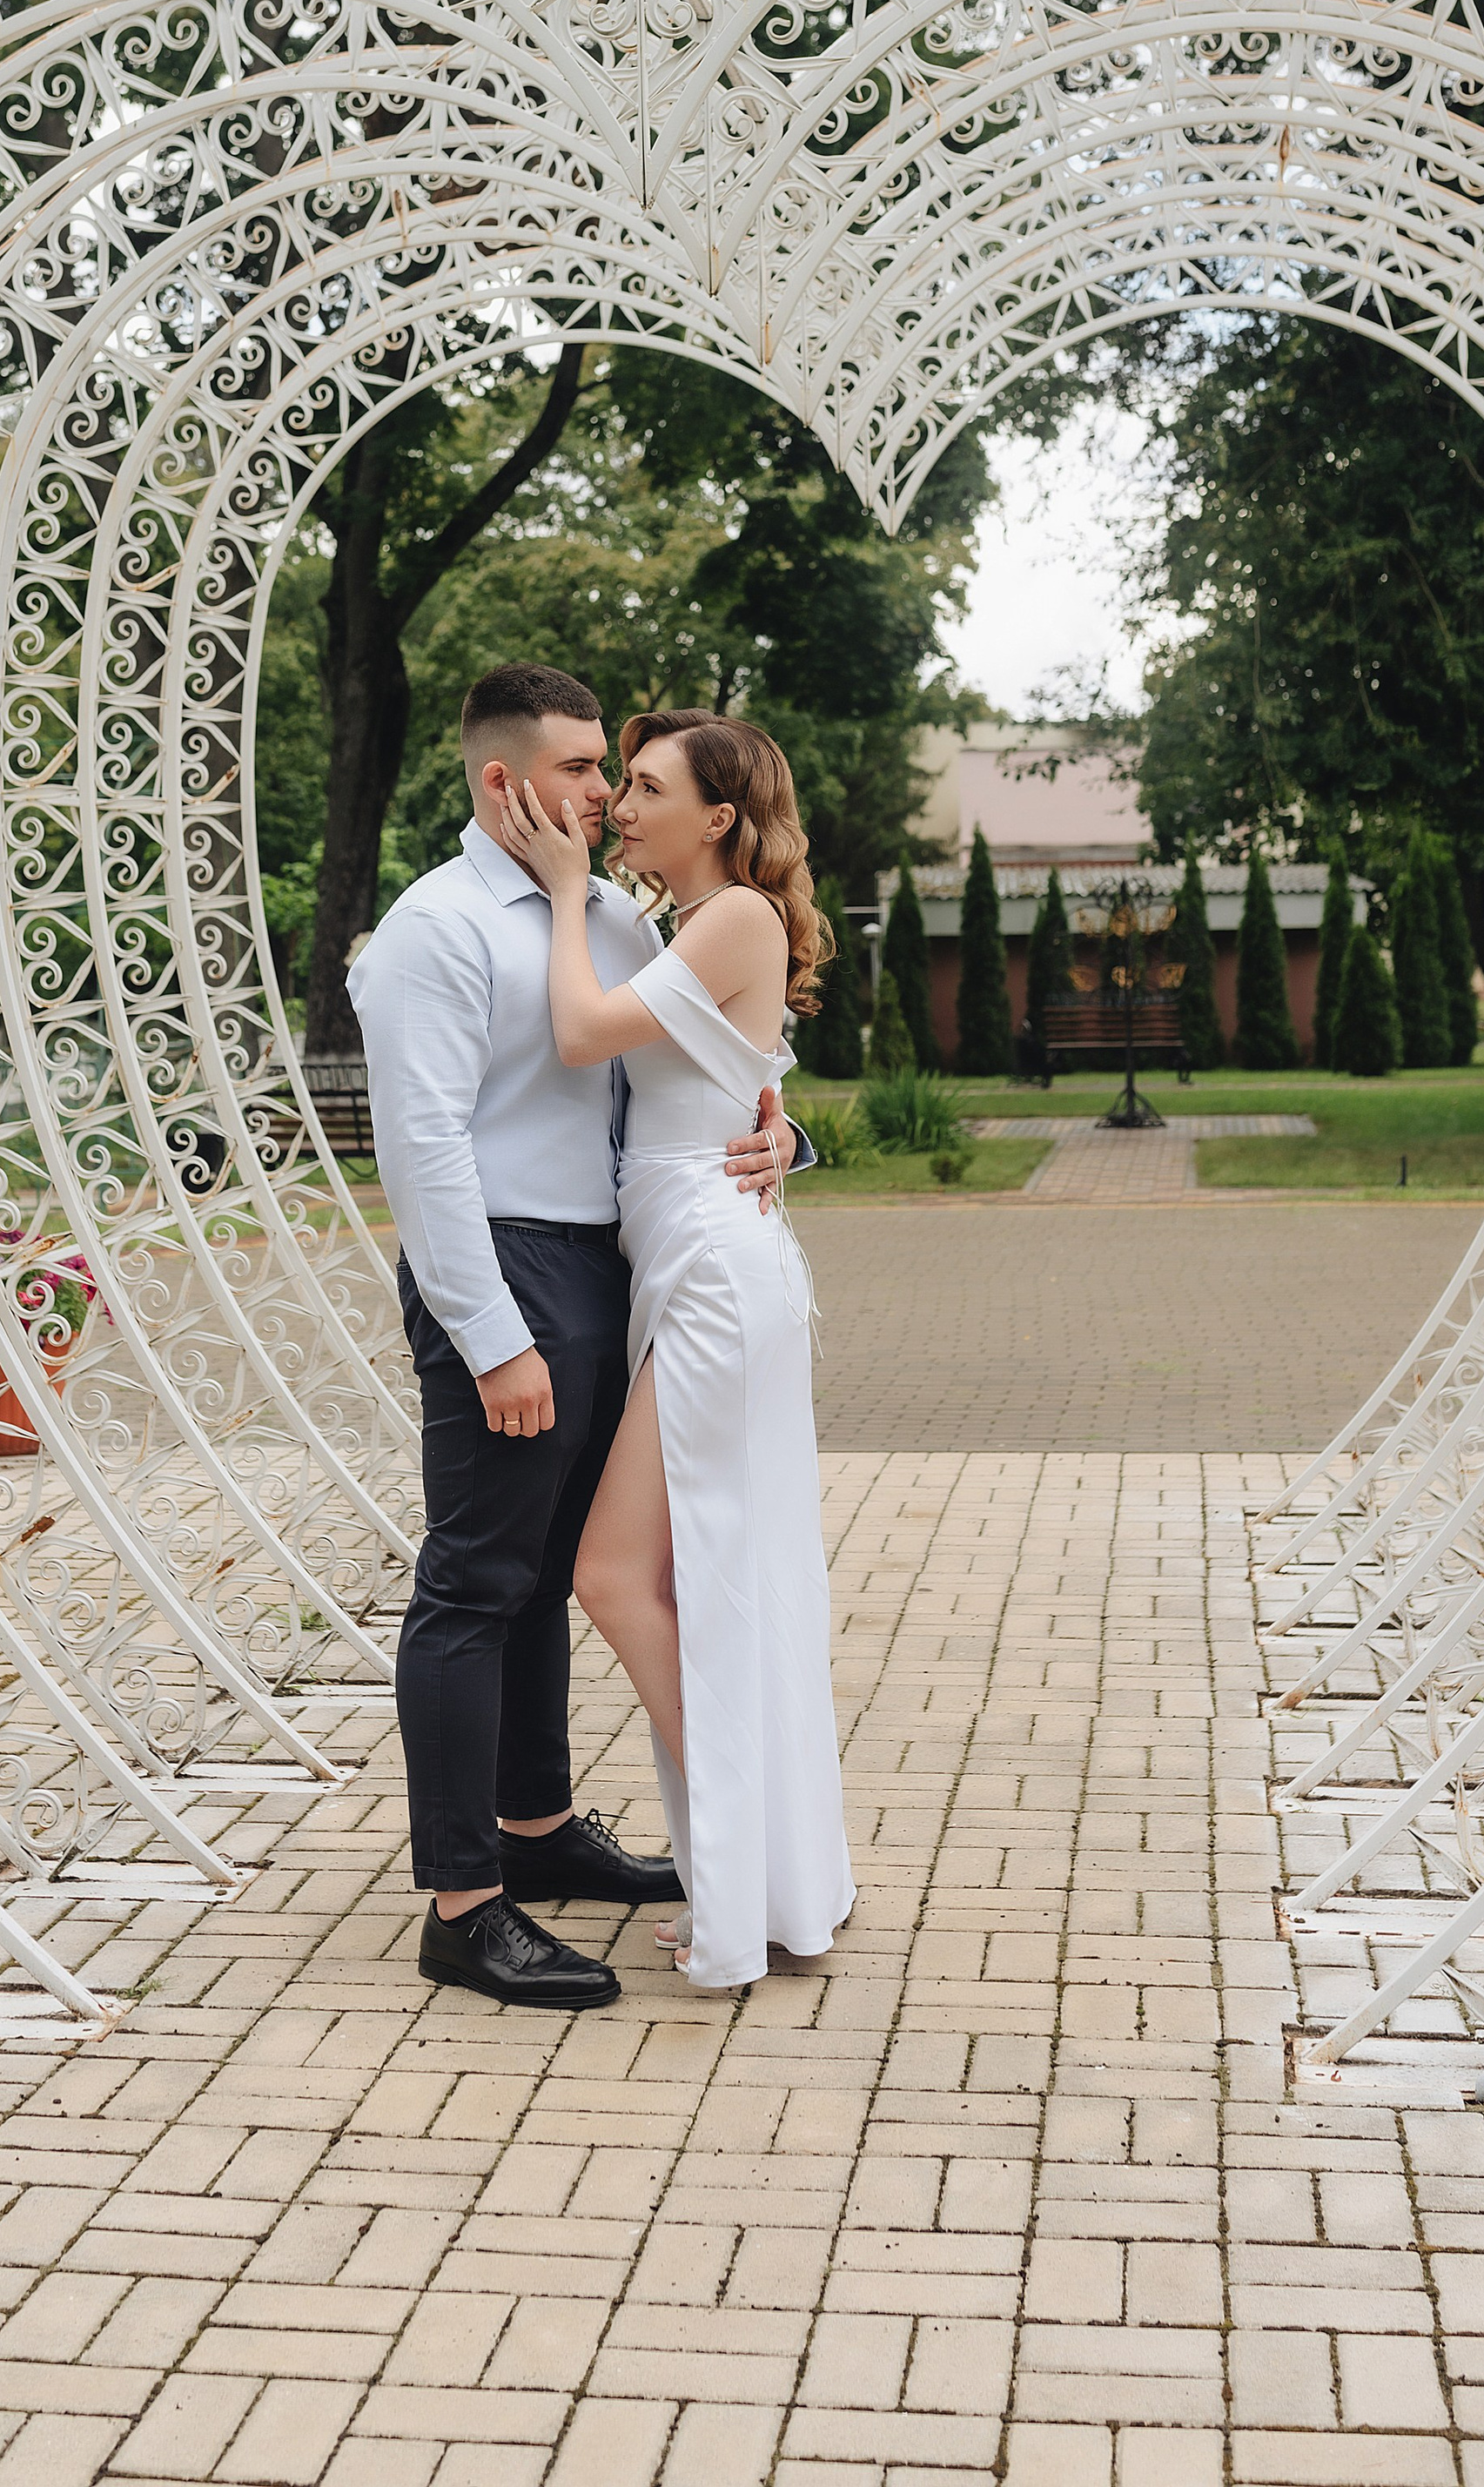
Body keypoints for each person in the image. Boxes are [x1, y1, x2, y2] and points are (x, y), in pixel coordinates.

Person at [346, 664, 804, 2011]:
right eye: (585, 767)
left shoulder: (606, 912)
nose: (606, 792)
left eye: (618, 770)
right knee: (476, 1580)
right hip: (503, 1264)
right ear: (508, 782)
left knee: (551, 1570)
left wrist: (784, 1133)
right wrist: (490, 1335)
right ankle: (463, 1899)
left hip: (616, 1266)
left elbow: (704, 1064)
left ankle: (538, 1831)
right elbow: (421, 1148)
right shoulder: (431, 933)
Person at [500, 709, 855, 1988]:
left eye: (646, 788)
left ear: (719, 816)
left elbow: (587, 1034)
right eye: (620, 782)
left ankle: (740, 1850)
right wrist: (791, 1133)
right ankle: (753, 1866)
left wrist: (556, 890)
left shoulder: (736, 915)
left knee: (613, 1569)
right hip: (690, 1262)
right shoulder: (683, 926)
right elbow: (743, 1081)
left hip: (711, 1271)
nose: (621, 806)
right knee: (705, 1573)